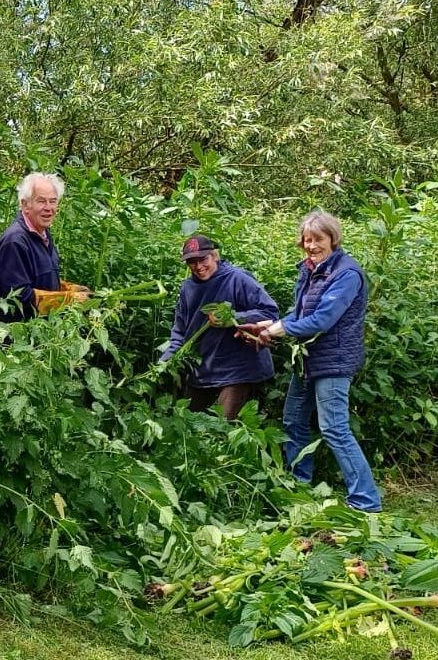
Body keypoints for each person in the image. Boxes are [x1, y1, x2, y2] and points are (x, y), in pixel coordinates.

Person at [238, 211, 380, 512]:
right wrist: (267, 327)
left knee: (334, 428)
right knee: (293, 420)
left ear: (333, 239)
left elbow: (323, 320)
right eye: (306, 239)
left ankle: (366, 501)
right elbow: (301, 315)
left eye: (318, 239)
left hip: (334, 361)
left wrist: (275, 329)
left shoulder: (347, 273)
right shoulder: (310, 270)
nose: (311, 245)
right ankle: (299, 486)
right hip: (308, 359)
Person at [158, 235, 280, 420]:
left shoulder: (237, 279)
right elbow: (181, 329)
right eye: (192, 262)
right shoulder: (187, 288)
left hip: (237, 369)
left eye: (203, 259)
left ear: (214, 256)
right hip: (201, 368)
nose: (198, 267)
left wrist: (232, 317)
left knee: (223, 426)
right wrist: (166, 360)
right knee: (188, 426)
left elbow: (270, 312)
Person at [0, 172, 90, 322]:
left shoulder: (42, 234)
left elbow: (38, 278)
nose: (48, 208)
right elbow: (19, 296)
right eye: (41, 201)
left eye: (53, 201)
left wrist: (66, 287)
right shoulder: (15, 242)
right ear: (25, 205)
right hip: (18, 337)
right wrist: (67, 299)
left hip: (43, 333)